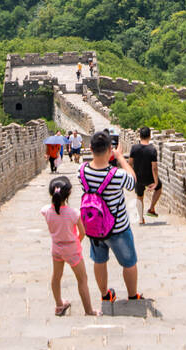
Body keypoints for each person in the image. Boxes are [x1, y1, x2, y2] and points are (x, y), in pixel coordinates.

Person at [80, 130, 143, 303]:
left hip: (94, 227)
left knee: (99, 261)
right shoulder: (117, 175)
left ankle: (105, 295)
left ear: (91, 149)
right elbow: (132, 181)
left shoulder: (82, 171)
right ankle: (132, 295)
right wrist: (121, 158)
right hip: (118, 228)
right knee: (129, 262)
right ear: (110, 150)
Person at [42, 177, 94, 316]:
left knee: (56, 277)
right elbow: (82, 233)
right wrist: (76, 242)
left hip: (56, 249)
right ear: (69, 193)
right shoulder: (74, 213)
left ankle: (59, 305)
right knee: (82, 279)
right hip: (72, 250)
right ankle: (89, 310)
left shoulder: (46, 211)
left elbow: (49, 212)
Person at [129, 127, 161, 224]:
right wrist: (156, 182)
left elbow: (130, 163)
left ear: (140, 136)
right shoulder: (152, 150)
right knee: (159, 188)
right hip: (149, 177)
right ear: (150, 136)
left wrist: (132, 176)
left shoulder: (134, 148)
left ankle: (141, 218)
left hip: (138, 177)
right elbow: (154, 168)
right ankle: (151, 208)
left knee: (139, 197)